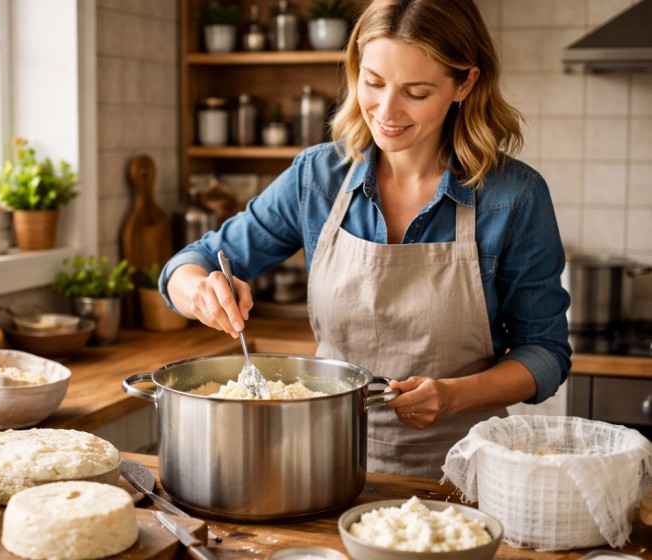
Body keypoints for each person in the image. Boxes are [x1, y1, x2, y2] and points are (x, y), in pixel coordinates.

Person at [159, 0, 571, 479]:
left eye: (416, 92)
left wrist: (454, 394)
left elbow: (544, 353)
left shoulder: (513, 196)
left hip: (464, 472)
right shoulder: (318, 177)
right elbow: (191, 262)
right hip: (323, 466)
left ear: (465, 84)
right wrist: (201, 290)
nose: (386, 112)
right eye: (373, 83)